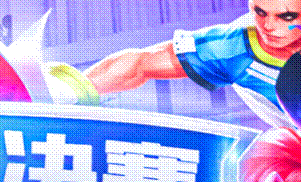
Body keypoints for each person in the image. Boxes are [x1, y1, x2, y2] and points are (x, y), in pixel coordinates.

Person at [75, 0, 301, 111]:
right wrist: (69, 90)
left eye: (287, 17)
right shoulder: (232, 48)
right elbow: (139, 64)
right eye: (260, 12)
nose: (268, 26)